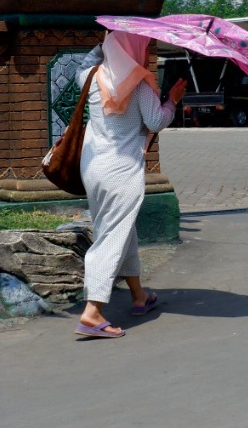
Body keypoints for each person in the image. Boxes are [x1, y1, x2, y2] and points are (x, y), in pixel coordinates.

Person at [73, 31, 186, 338]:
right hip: (121, 171)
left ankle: (138, 296)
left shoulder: (91, 75)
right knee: (111, 236)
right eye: (144, 45)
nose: (147, 50)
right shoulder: (138, 82)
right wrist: (172, 101)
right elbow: (156, 121)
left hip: (93, 167)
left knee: (122, 230)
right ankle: (92, 312)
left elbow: (82, 65)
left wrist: (103, 44)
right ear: (134, 48)